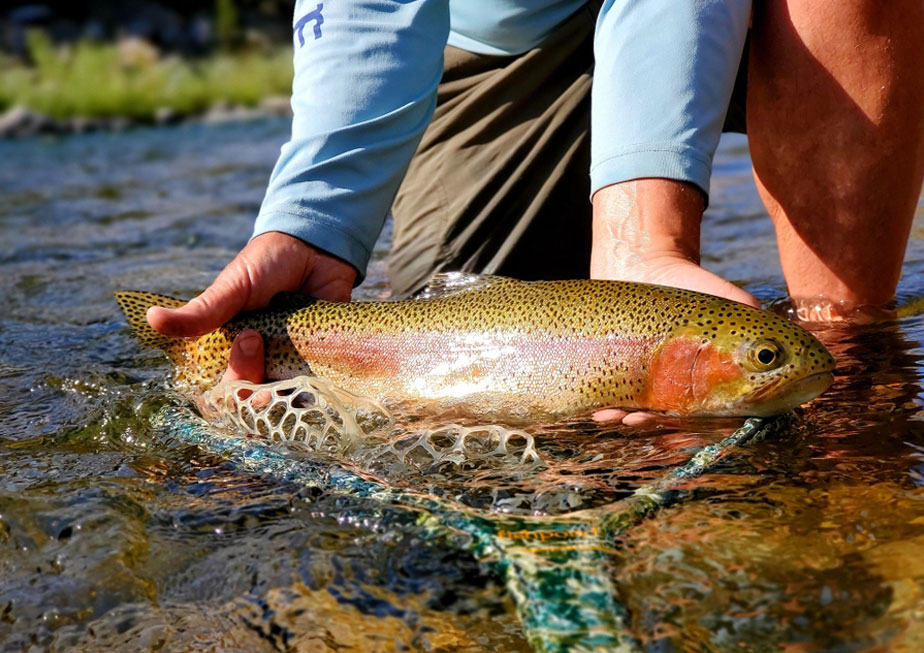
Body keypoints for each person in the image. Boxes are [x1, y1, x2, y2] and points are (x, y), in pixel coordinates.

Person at [147, 1, 924, 422]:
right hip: (496, 57)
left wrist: (642, 236)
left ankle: (853, 371)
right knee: (445, 408)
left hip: (730, 21)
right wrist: (312, 224)